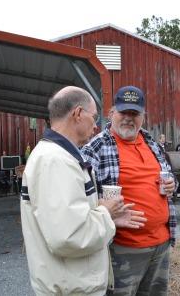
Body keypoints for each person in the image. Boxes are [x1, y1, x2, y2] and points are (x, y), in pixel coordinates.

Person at [20, 86, 146, 296]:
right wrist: (106, 213)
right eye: (94, 117)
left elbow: (69, 219)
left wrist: (110, 219)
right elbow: (69, 238)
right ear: (78, 114)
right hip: (71, 289)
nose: (96, 126)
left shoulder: (59, 155)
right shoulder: (55, 161)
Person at [82, 85, 177, 296]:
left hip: (161, 245)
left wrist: (172, 184)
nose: (128, 118)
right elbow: (78, 196)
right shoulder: (95, 148)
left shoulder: (152, 143)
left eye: (134, 113)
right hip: (123, 249)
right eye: (123, 112)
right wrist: (102, 207)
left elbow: (170, 177)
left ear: (143, 116)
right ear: (111, 113)